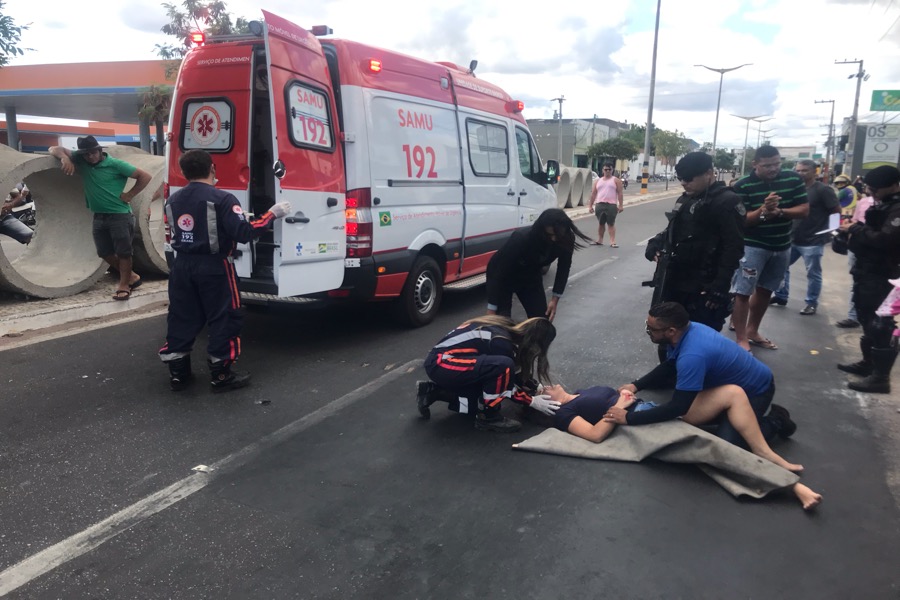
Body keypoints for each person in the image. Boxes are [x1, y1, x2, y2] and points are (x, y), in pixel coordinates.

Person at [543, 383, 821, 511]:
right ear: (548, 403)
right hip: (642, 426)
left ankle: (774, 422)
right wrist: (619, 406)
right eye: (541, 389)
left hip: (650, 411)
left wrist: (625, 393)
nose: (548, 383)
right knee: (715, 449)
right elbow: (594, 435)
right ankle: (790, 484)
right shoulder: (563, 413)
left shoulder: (581, 391)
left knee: (728, 407)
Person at [158, 149, 292, 392]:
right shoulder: (223, 199)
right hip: (214, 267)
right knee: (223, 317)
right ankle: (221, 375)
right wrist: (272, 214)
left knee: (181, 316)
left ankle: (178, 373)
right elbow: (244, 233)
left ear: (184, 172)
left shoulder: (173, 200)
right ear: (212, 169)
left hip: (181, 266)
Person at [606, 302, 797, 448]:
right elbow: (670, 366)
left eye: (651, 329)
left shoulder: (693, 355)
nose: (648, 332)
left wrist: (629, 418)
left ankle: (776, 420)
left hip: (756, 390)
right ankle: (728, 417)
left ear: (671, 331)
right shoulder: (687, 331)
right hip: (725, 388)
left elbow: (678, 408)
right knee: (695, 419)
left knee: (727, 444)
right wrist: (636, 385)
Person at [644, 152, 745, 335]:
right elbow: (672, 231)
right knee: (667, 336)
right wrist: (655, 244)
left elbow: (733, 248)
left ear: (709, 173)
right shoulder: (685, 199)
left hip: (704, 288)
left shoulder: (727, 201)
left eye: (689, 178)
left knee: (700, 339)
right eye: (681, 178)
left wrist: (720, 288)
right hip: (675, 282)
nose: (684, 182)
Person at [49, 136, 152, 301]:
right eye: (86, 154)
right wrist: (64, 157)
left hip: (120, 215)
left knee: (124, 252)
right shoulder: (81, 160)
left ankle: (124, 285)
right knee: (103, 252)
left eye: (92, 153)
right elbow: (53, 148)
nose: (90, 157)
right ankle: (131, 276)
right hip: (99, 216)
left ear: (99, 150)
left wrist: (130, 194)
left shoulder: (116, 164)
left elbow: (145, 176)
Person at [415, 315, 559, 432]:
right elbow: (506, 382)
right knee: (501, 372)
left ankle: (432, 392)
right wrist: (531, 401)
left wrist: (535, 386)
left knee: (478, 401)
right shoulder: (501, 342)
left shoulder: (505, 328)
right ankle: (488, 418)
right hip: (442, 364)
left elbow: (509, 375)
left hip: (442, 362)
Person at [730, 146, 809, 351]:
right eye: (767, 165)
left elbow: (803, 210)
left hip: (782, 245)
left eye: (776, 164)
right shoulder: (743, 185)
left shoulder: (792, 179)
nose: (773, 169)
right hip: (753, 246)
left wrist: (780, 211)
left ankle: (752, 330)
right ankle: (741, 339)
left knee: (766, 290)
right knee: (743, 292)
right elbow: (742, 220)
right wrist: (763, 211)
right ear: (755, 164)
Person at [836, 165, 900, 393]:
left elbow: (886, 240)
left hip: (885, 275)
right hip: (868, 270)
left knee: (881, 325)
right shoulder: (884, 205)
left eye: (876, 189)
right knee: (866, 317)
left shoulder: (897, 209)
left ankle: (881, 378)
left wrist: (857, 230)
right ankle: (869, 364)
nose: (871, 193)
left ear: (893, 185)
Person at [485, 208, 591, 321]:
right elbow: (498, 273)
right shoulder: (522, 238)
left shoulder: (565, 239)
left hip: (530, 275)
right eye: (550, 235)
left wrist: (555, 300)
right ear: (541, 230)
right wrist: (492, 309)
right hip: (505, 275)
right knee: (502, 323)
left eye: (558, 235)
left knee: (541, 322)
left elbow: (563, 269)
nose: (554, 239)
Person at [770, 159, 841, 315]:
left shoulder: (823, 190)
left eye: (804, 170)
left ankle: (811, 303)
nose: (800, 173)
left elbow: (835, 210)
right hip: (792, 237)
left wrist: (832, 230)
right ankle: (781, 296)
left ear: (814, 171)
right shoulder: (793, 189)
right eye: (798, 170)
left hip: (813, 240)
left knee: (813, 273)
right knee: (782, 268)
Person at [837, 191, 876, 329]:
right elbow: (856, 221)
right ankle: (854, 317)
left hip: (881, 253)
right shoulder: (863, 202)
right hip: (859, 248)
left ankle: (881, 323)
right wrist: (848, 225)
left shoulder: (893, 207)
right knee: (857, 282)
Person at [588, 163, 624, 247]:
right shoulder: (598, 181)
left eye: (609, 169)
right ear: (602, 170)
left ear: (612, 170)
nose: (607, 171)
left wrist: (621, 205)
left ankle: (612, 241)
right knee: (601, 223)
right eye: (605, 169)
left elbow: (620, 193)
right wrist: (590, 206)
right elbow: (593, 194)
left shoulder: (616, 180)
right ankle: (600, 240)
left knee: (611, 223)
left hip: (611, 205)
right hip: (600, 204)